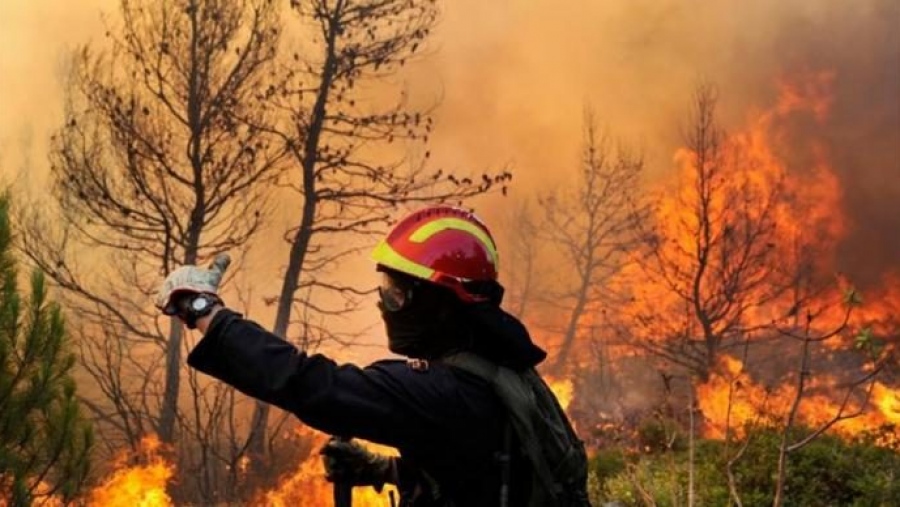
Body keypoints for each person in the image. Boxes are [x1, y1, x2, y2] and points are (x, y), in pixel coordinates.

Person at [155, 205, 588, 506]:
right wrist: (381, 470)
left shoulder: (442, 390)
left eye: (396, 294)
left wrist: (204, 312)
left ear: (438, 301)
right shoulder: (504, 366)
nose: (385, 304)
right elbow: (479, 475)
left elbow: (311, 385)